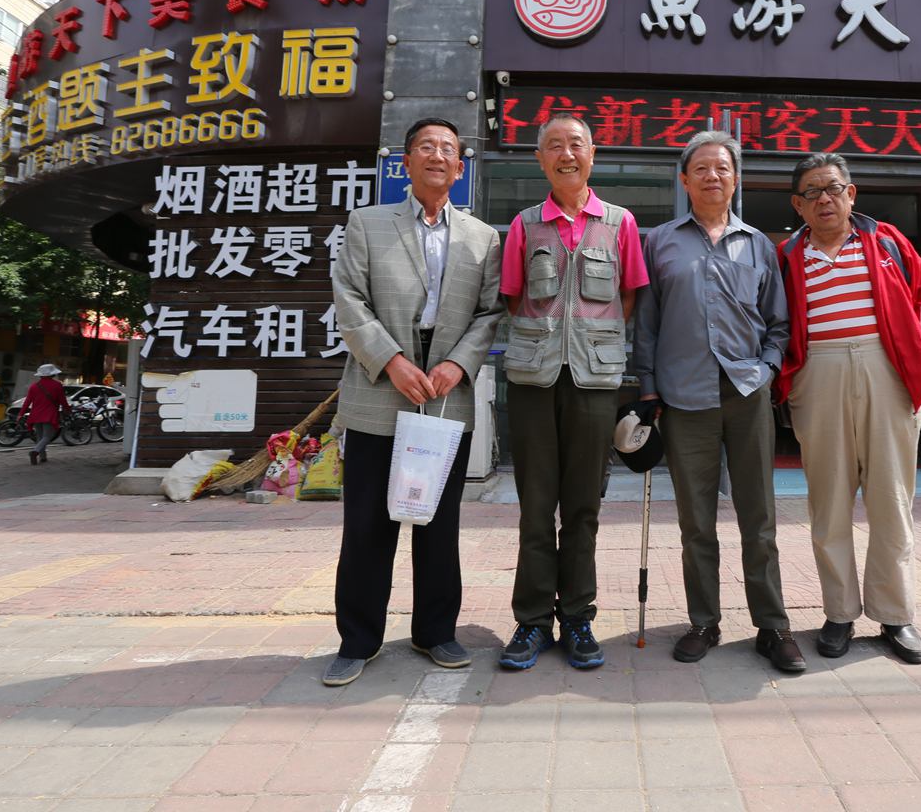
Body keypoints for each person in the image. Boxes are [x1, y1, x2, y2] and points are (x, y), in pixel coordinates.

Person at [323, 117, 503, 687]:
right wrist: (392, 361)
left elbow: (490, 312)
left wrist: (459, 364)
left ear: (460, 166)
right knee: (367, 524)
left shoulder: (482, 237)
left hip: (445, 395)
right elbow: (349, 299)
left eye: (448, 148)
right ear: (406, 162)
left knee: (438, 525)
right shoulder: (368, 223)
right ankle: (358, 640)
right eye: (426, 146)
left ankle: (436, 632)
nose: (437, 155)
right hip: (381, 386)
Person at [633, 130, 804, 674]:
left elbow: (778, 323)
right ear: (684, 180)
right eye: (701, 168)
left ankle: (772, 626)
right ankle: (703, 621)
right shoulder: (660, 242)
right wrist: (648, 388)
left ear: (735, 180)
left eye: (722, 168)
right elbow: (646, 323)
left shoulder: (758, 245)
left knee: (760, 517)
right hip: (684, 397)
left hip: (747, 394)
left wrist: (768, 369)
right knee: (696, 522)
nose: (713, 176)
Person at [775, 153, 921, 665]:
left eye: (833, 188)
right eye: (811, 192)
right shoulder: (787, 256)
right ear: (798, 205)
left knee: (891, 499)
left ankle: (895, 614)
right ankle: (839, 613)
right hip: (818, 373)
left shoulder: (887, 241)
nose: (823, 199)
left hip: (885, 369)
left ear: (851, 194)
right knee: (828, 502)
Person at [498, 114, 648, 671]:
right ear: (540, 159)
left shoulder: (620, 222)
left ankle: (579, 618)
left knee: (583, 506)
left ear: (592, 155)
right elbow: (512, 297)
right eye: (554, 146)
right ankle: (533, 621)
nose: (566, 154)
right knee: (536, 507)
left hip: (595, 382)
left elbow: (629, 299)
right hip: (533, 381)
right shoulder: (524, 224)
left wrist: (588, 340)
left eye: (576, 145)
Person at [19, 364, 70, 466]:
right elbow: (62, 400)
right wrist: (67, 409)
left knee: (40, 436)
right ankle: (35, 452)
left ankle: (43, 457)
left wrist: (21, 414)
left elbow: (27, 402)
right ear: (52, 374)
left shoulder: (34, 386)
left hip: (35, 414)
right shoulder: (57, 385)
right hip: (49, 414)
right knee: (48, 436)